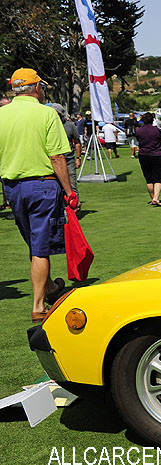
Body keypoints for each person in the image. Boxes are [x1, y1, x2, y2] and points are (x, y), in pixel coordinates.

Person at [0, 68, 72, 322]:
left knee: (33, 242)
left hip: (12, 187)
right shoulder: (46, 113)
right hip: (42, 185)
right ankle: (39, 305)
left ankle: (50, 287)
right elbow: (57, 156)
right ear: (36, 88)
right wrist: (69, 190)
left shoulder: (2, 114)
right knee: (40, 247)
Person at [49, 104, 82, 205]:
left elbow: (77, 142)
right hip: (53, 161)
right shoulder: (49, 125)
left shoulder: (70, 126)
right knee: (56, 187)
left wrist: (78, 158)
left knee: (72, 185)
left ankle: (74, 207)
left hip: (68, 160)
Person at [137, 112, 161, 206]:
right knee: (158, 178)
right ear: (152, 120)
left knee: (149, 179)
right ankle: (156, 198)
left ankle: (153, 198)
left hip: (144, 155)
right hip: (156, 154)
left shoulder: (139, 130)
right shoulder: (156, 130)